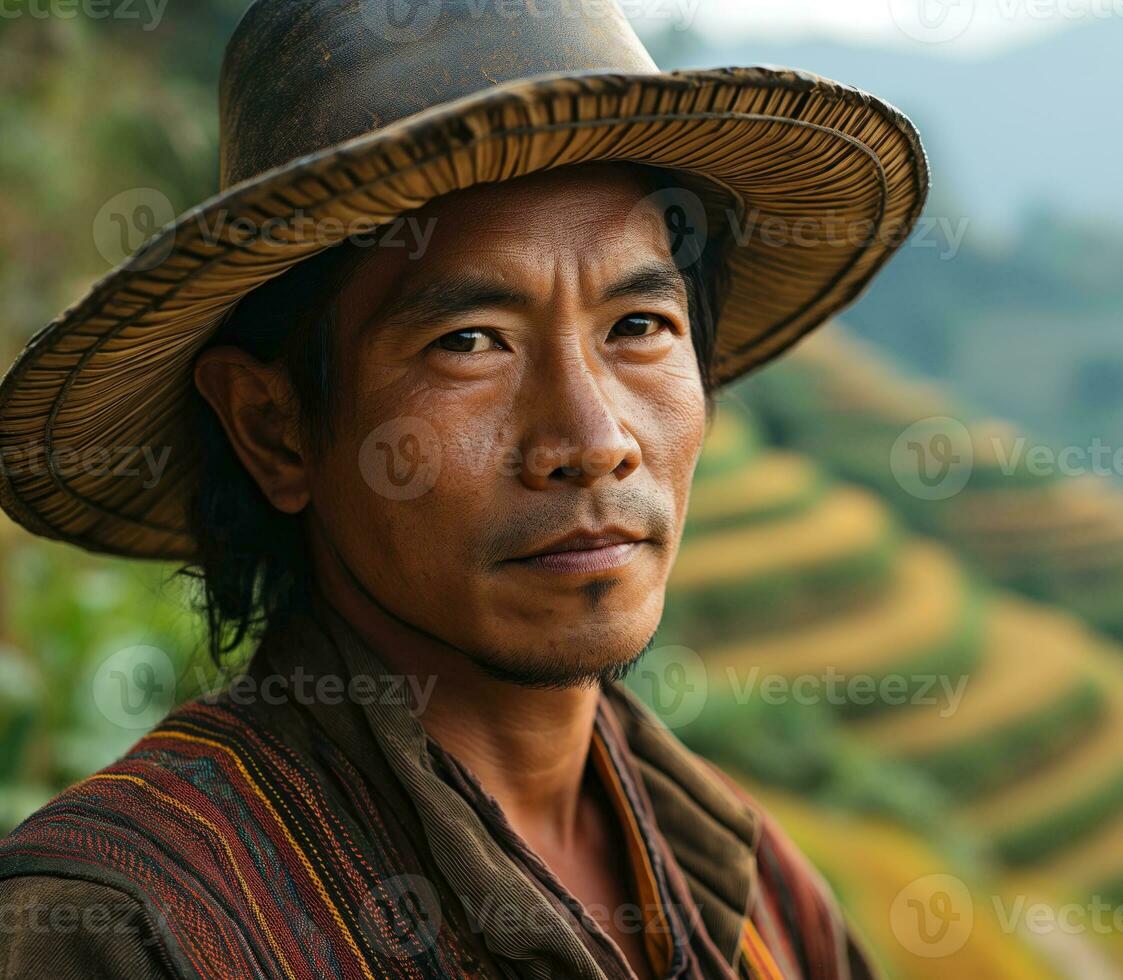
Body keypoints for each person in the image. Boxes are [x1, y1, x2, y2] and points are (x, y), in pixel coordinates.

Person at [0, 1, 927, 976]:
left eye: (640, 324)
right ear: (274, 427)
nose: (593, 440)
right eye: (470, 342)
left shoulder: (760, 897)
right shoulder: (125, 932)